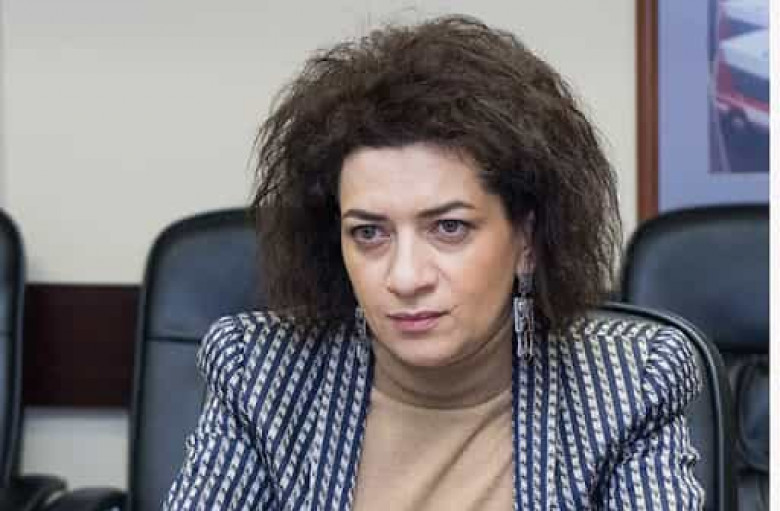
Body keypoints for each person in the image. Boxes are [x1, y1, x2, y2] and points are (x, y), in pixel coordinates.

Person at [164, 15, 704, 510]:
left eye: (449, 228)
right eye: (369, 233)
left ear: (527, 240)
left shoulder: (628, 383)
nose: (405, 277)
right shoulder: (261, 375)